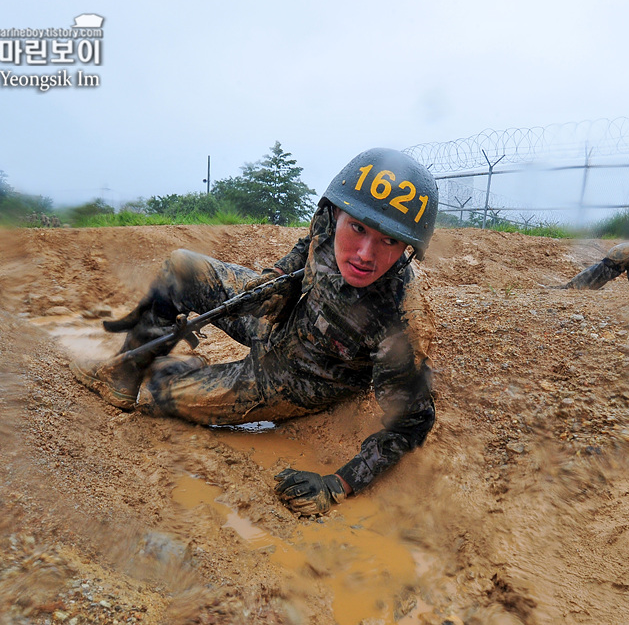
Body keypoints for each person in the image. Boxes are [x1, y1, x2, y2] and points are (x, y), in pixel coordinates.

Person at [71, 148, 438, 516]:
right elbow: (306, 247)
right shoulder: (328, 219)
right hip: (280, 314)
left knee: (160, 397)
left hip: (290, 379)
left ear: (407, 247)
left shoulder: (400, 323)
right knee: (182, 268)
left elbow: (411, 423)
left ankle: (176, 370)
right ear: (337, 213)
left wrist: (337, 484)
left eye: (388, 241)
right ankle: (123, 373)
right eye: (357, 228)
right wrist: (276, 281)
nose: (364, 254)